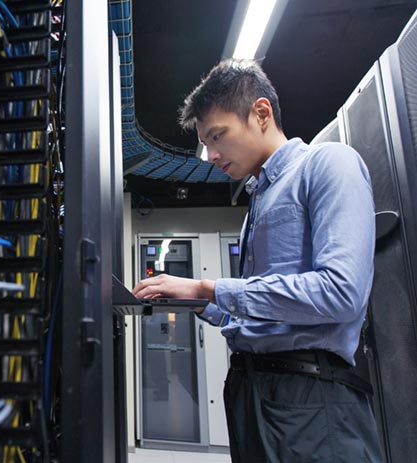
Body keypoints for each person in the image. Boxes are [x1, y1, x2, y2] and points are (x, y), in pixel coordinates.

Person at [132, 59, 383, 463]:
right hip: (255, 392)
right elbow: (262, 313)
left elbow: (341, 293)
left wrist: (207, 287)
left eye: (217, 137)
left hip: (310, 400)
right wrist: (198, 303)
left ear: (261, 113)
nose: (210, 155)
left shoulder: (327, 165)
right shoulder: (258, 201)